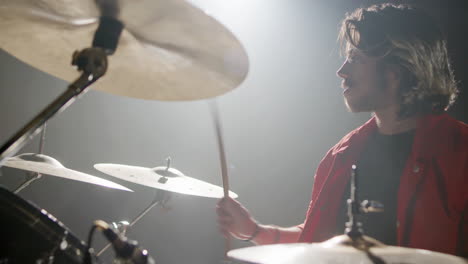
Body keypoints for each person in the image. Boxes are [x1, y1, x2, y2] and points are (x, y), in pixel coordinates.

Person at [216, 3, 468, 257]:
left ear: (396, 71)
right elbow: (324, 243)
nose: (342, 71)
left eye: (355, 59)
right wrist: (254, 231)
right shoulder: (342, 155)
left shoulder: (460, 154)